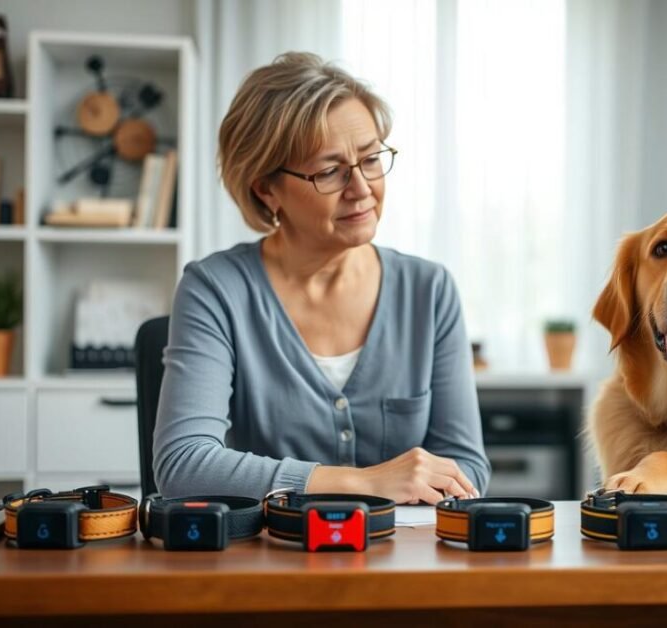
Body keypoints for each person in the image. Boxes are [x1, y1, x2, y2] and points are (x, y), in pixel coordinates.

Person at [153, 52, 490, 504]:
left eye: (371, 159)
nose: (362, 188)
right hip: (270, 563)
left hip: (403, 564)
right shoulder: (215, 290)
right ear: (265, 188)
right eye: (330, 171)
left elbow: (466, 467)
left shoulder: (429, 290)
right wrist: (365, 483)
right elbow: (184, 465)